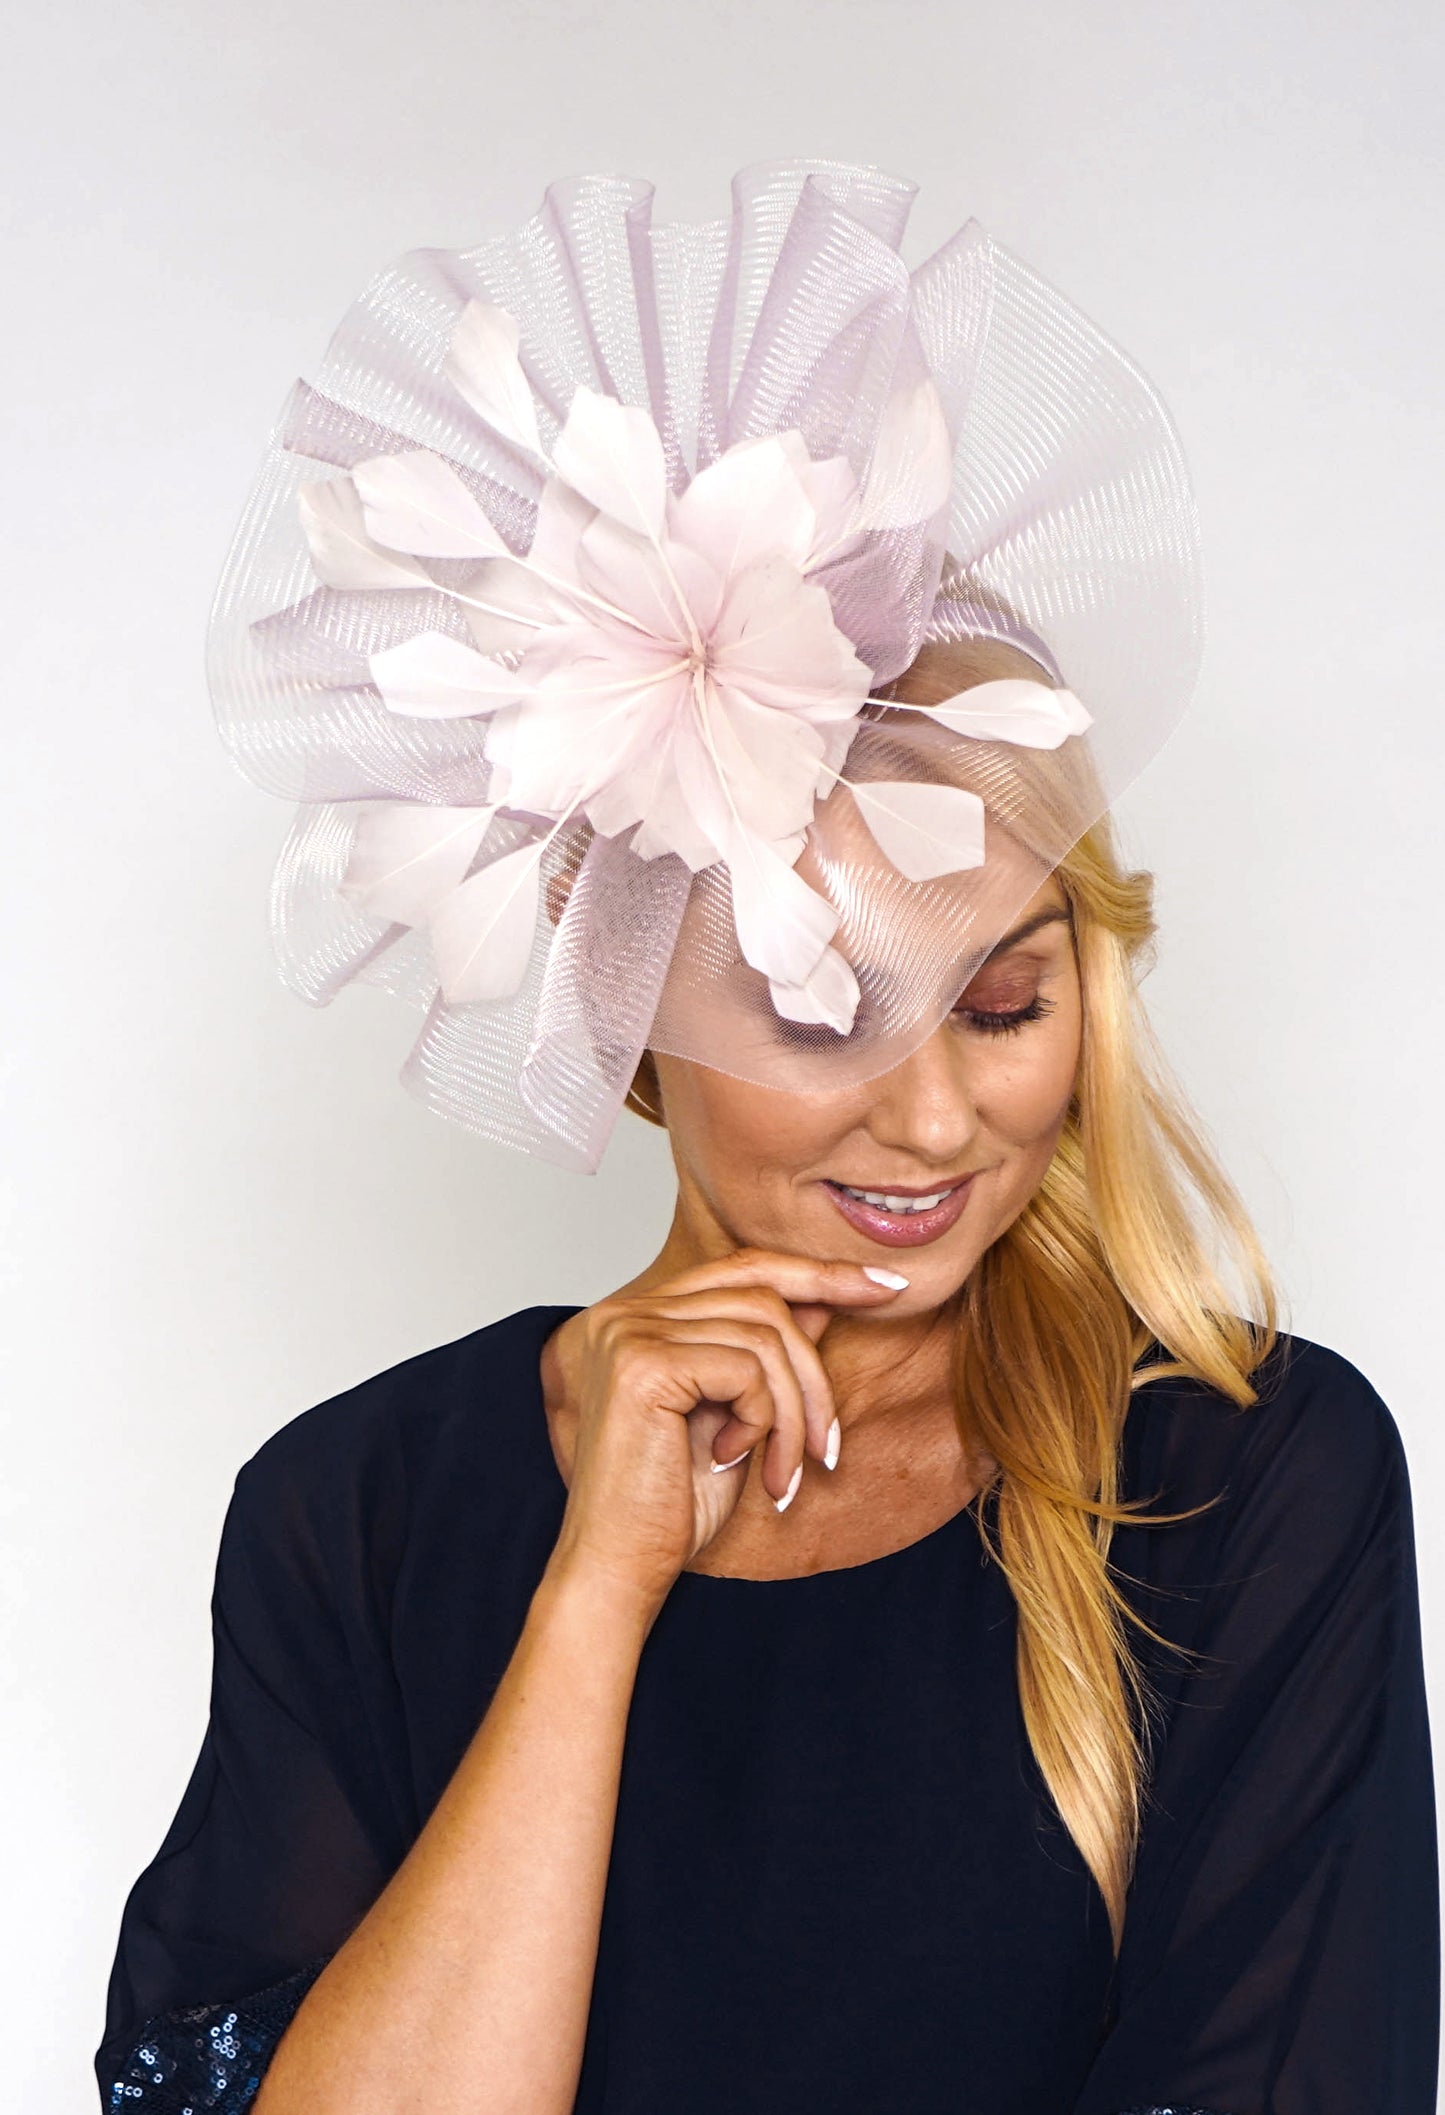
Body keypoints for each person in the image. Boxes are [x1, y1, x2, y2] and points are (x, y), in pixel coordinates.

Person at [96, 165, 1439, 2115]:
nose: (933, 1109)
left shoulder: (1243, 1482)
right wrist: (595, 1596)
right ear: (630, 1017)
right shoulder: (360, 1514)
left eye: (1003, 1002)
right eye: (824, 1010)